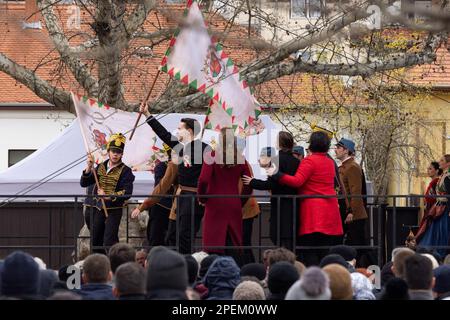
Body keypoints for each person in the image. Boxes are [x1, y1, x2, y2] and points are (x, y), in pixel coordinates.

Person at [266, 131, 343, 266]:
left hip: (313, 211)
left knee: (309, 250)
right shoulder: (330, 162)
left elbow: (297, 181)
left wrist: (277, 174)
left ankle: (312, 280)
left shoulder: (309, 161)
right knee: (325, 250)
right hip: (330, 210)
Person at [141, 104, 209, 254]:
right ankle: (173, 265)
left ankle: (186, 270)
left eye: (180, 128)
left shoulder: (206, 149)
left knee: (185, 236)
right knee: (172, 235)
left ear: (189, 131)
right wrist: (147, 114)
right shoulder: (181, 147)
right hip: (181, 197)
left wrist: (204, 196)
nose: (177, 131)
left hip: (194, 198)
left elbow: (210, 175)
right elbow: (163, 135)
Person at [198, 128, 252, 262]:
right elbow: (249, 182)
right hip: (233, 202)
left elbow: (203, 180)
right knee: (232, 241)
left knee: (213, 243)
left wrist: (202, 198)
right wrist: (241, 201)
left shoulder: (211, 156)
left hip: (214, 203)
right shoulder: (239, 158)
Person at [243, 132, 300, 250]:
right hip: (293, 204)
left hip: (279, 204)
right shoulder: (297, 161)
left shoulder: (276, 160)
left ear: (279, 143)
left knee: (278, 236)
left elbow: (270, 184)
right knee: (290, 239)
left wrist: (252, 182)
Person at [80, 133, 135, 253]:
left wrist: (109, 197)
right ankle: (99, 266)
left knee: (110, 240)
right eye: (113, 151)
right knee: (95, 240)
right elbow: (84, 183)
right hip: (98, 208)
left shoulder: (126, 171)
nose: (115, 154)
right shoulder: (100, 166)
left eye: (118, 152)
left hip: (114, 209)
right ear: (108, 151)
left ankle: (115, 265)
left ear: (122, 154)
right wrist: (89, 167)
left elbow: (127, 192)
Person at [131, 144, 174, 246]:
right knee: (156, 237)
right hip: (161, 205)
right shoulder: (162, 167)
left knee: (173, 238)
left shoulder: (182, 167)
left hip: (175, 207)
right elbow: (160, 187)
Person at [335, 138, 368, 250]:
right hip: (346, 211)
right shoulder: (343, 167)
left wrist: (351, 212)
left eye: (339, 147)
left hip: (354, 215)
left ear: (346, 150)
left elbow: (356, 191)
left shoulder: (352, 167)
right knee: (354, 246)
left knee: (358, 247)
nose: (336, 150)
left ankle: (370, 266)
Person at [417, 154, 450, 258]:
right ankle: (435, 255)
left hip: (444, 209)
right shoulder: (443, 176)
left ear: (448, 163)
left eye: (442, 160)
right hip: (439, 208)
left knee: (442, 232)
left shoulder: (447, 177)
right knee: (435, 232)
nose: (439, 162)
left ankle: (441, 255)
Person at [416, 161, 443, 239]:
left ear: (437, 170)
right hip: (429, 208)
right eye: (428, 169)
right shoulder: (434, 182)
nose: (428, 170)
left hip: (433, 209)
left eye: (430, 169)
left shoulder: (435, 182)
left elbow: (434, 197)